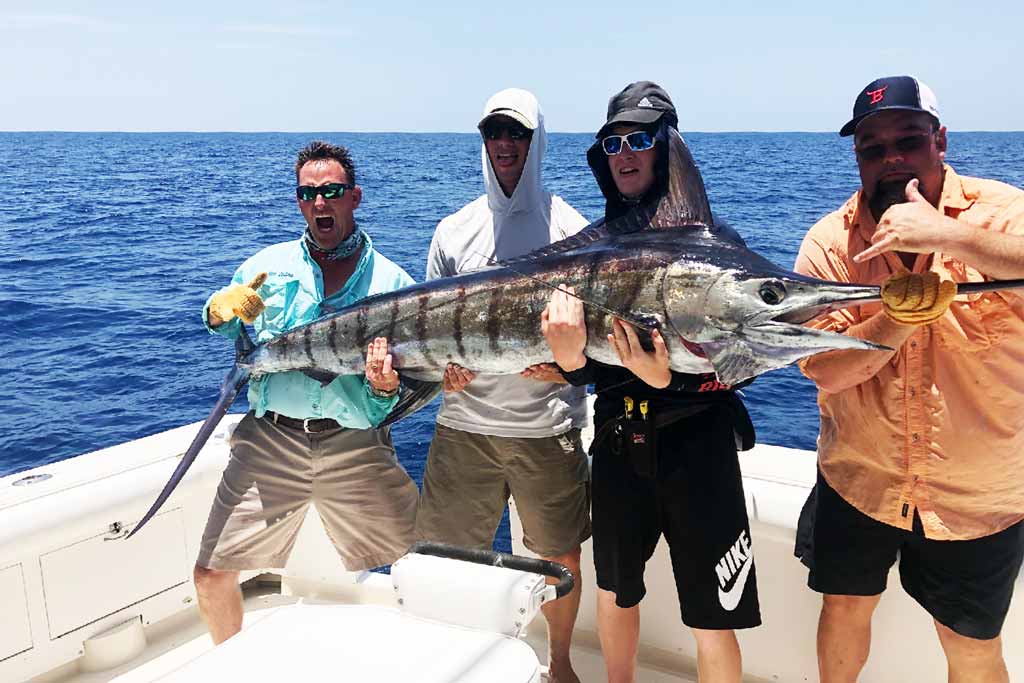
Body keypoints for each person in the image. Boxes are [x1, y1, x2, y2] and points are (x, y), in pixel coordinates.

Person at [794, 75, 1024, 683]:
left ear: (940, 140)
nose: (891, 158)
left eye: (909, 140)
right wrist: (895, 321)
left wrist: (947, 237)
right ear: (858, 158)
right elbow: (822, 367)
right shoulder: (829, 243)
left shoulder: (1002, 215)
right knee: (844, 610)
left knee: (971, 642)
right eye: (873, 147)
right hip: (859, 478)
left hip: (978, 496)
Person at [542, 81, 761, 683]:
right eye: (612, 142)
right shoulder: (591, 251)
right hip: (619, 443)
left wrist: (666, 380)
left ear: (667, 146)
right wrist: (569, 362)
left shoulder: (720, 249)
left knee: (714, 617)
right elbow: (593, 364)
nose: (624, 152)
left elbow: (735, 365)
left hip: (702, 447)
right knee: (616, 592)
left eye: (640, 138)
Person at [193, 140, 419, 644]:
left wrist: (384, 389)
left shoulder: (395, 283)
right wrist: (221, 307)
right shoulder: (266, 269)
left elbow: (393, 397)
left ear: (354, 197)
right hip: (270, 442)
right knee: (210, 577)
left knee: (421, 565)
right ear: (298, 201)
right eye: (308, 193)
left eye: (332, 191)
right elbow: (222, 325)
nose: (321, 202)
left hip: (355, 444)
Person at [414, 88, 590, 683]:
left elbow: (595, 338)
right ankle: (451, 664)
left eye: (516, 133)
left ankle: (560, 663)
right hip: (464, 425)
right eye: (494, 133)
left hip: (547, 428)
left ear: (537, 140)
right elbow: (429, 330)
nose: (505, 144)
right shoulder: (452, 231)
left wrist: (571, 367)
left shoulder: (574, 232)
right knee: (443, 555)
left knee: (560, 558)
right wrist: (445, 371)